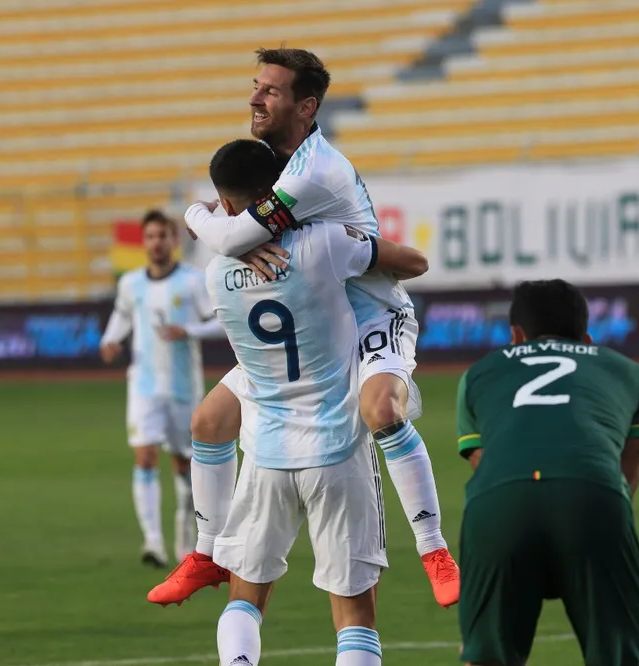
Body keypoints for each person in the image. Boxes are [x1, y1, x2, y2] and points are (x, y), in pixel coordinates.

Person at [150, 46, 459, 610]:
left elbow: (222, 231)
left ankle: (434, 548)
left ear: (306, 106)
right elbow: (226, 220)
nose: (254, 98)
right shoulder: (270, 159)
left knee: (381, 410)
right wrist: (228, 231)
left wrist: (219, 229)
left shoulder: (314, 171)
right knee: (210, 420)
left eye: (269, 90)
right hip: (315, 317)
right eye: (256, 86)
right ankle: (207, 553)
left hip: (370, 312)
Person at [163, 138, 429, 666]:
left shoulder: (217, 273)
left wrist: (211, 225)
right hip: (336, 448)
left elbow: (225, 231)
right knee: (355, 618)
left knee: (244, 600)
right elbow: (412, 262)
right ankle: (434, 544)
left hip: (265, 452)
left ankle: (207, 559)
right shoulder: (325, 243)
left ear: (228, 205)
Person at [456, 279, 639, 666]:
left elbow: (483, 460)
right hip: (593, 497)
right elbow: (628, 471)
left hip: (498, 503)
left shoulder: (477, 374)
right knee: (621, 656)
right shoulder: (632, 373)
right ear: (587, 339)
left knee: (488, 659)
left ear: (515, 336)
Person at [100, 209, 227, 568]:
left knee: (185, 464)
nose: (156, 243)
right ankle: (152, 541)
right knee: (144, 457)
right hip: (143, 386)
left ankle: (184, 537)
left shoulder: (193, 281)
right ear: (144, 242)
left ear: (175, 240)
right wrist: (110, 339)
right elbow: (123, 314)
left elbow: (220, 322)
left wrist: (188, 331)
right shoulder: (131, 284)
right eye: (151, 236)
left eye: (163, 236)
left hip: (183, 386)